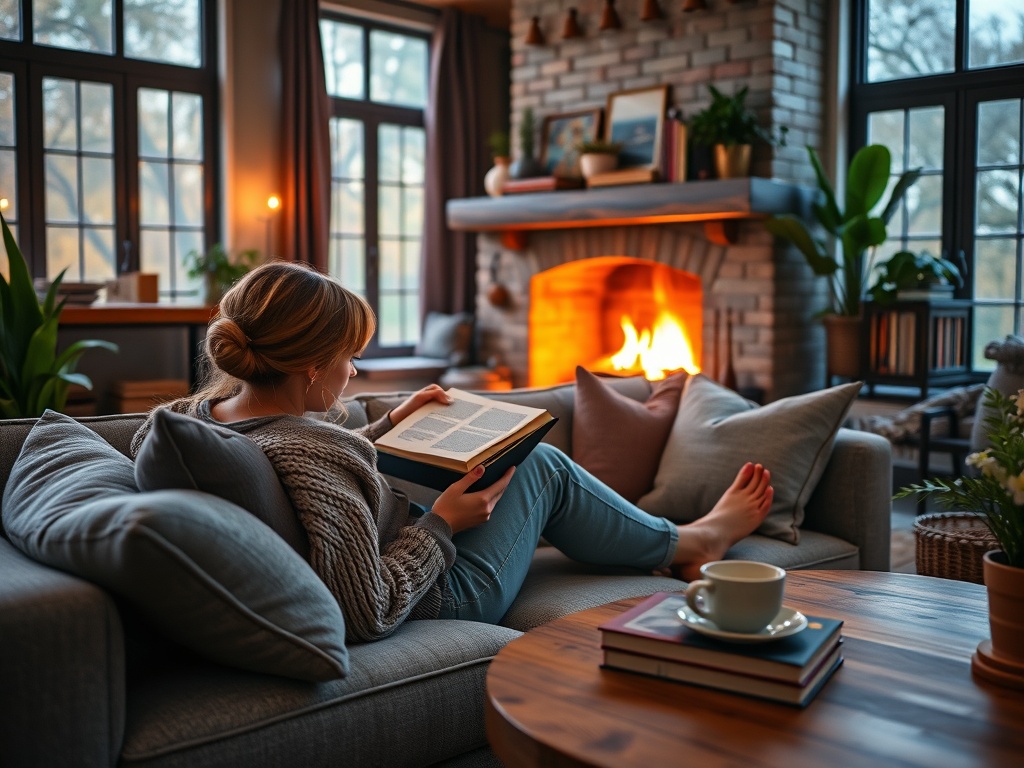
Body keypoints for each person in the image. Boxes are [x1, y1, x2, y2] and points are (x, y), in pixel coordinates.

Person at [131, 261, 773, 643]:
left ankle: (673, 540)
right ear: (306, 366)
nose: (354, 373)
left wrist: (388, 429)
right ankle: (691, 541)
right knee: (540, 463)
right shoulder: (315, 461)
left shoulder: (190, 420)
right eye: (350, 357)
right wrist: (445, 525)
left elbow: (288, 455)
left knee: (518, 461)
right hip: (441, 593)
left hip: (402, 537)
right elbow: (368, 608)